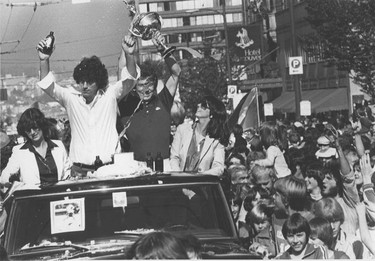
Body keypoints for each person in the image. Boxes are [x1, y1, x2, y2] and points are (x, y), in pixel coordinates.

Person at [37, 33, 137, 176]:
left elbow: (130, 80)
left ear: (99, 81)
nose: (84, 86)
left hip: (111, 169)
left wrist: (129, 55)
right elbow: (47, 84)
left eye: (90, 81)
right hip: (80, 172)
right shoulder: (70, 98)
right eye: (81, 81)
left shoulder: (110, 95)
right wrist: (44, 60)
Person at [118, 31, 181, 167]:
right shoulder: (126, 105)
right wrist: (127, 51)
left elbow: (176, 73)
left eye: (149, 84)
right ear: (134, 87)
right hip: (136, 167)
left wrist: (162, 48)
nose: (145, 89)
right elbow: (122, 70)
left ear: (154, 84)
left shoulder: (163, 100)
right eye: (140, 85)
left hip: (164, 164)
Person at [0, 108, 71, 185]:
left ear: (41, 125)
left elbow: (67, 173)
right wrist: (14, 185)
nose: (32, 132)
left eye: (35, 127)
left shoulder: (59, 146)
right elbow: (5, 176)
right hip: (34, 196)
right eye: (28, 130)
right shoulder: (19, 151)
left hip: (58, 195)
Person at [170, 96, 229, 176]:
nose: (199, 105)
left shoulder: (216, 140)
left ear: (212, 113)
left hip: (201, 184)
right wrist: (179, 176)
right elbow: (174, 158)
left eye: (204, 105)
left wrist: (199, 176)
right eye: (199, 104)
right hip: (180, 183)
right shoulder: (182, 129)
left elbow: (218, 168)